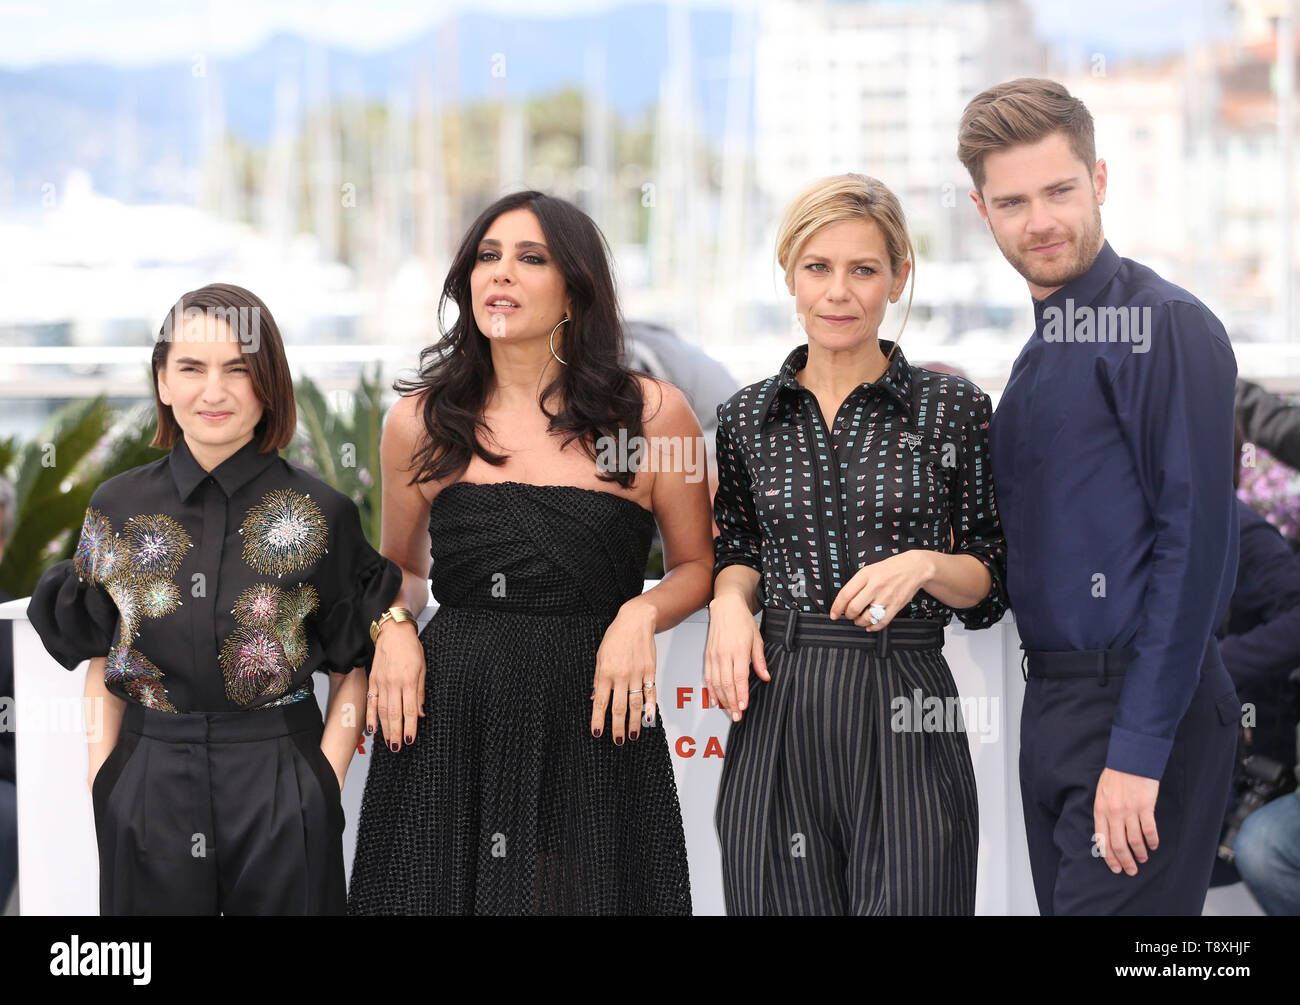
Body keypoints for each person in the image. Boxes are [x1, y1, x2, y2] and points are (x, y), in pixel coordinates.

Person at [347, 191, 713, 915]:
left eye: (530, 258)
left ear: (575, 290)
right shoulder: (420, 421)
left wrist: (640, 615)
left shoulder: (651, 415)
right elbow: (404, 570)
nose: (501, 273)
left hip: (594, 713)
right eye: (487, 257)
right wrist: (392, 627)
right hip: (451, 715)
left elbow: (696, 566)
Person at [26, 283, 405, 915]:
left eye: (237, 369)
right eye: (191, 368)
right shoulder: (116, 507)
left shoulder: (323, 512)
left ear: (268, 383)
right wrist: (105, 780)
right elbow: (101, 656)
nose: (214, 391)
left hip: (281, 776)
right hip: (148, 777)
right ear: (162, 381)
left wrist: (322, 783)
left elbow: (350, 668)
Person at [959, 78, 1241, 915]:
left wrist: (1140, 747)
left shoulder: (1164, 324)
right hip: (1053, 707)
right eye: (1013, 202)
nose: (1039, 220)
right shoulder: (1034, 359)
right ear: (981, 211)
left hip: (1144, 709)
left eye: (1060, 190)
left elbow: (1196, 547)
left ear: (1101, 180)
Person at [707, 173, 1009, 915]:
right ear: (790, 274)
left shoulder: (953, 408)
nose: (838, 292)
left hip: (908, 696)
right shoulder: (746, 417)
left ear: (898, 278)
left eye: (863, 269)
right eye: (818, 267)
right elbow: (738, 548)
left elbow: (990, 579)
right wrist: (728, 603)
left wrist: (925, 565)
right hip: (778, 700)